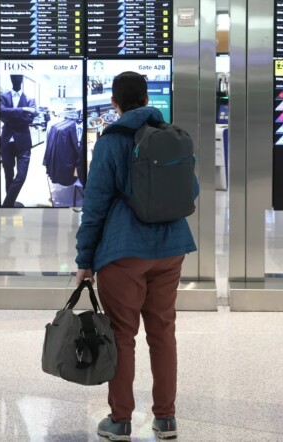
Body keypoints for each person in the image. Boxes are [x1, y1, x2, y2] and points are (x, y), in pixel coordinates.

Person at [75, 71, 198, 441]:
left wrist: (85, 259)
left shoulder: (112, 141)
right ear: (146, 99)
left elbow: (95, 204)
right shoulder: (173, 136)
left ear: (114, 102)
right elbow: (190, 189)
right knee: (163, 332)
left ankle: (121, 419)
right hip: (172, 247)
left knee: (122, 335)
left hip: (124, 252)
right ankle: (166, 418)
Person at [0, 74, 37, 207]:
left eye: (18, 77)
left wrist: (10, 115)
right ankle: (10, 204)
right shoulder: (3, 96)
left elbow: (30, 119)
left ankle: (6, 204)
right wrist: (23, 109)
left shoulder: (30, 98)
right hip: (6, 141)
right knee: (8, 174)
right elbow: (0, 112)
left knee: (21, 176)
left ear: (22, 79)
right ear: (11, 79)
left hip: (23, 142)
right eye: (13, 77)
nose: (16, 79)